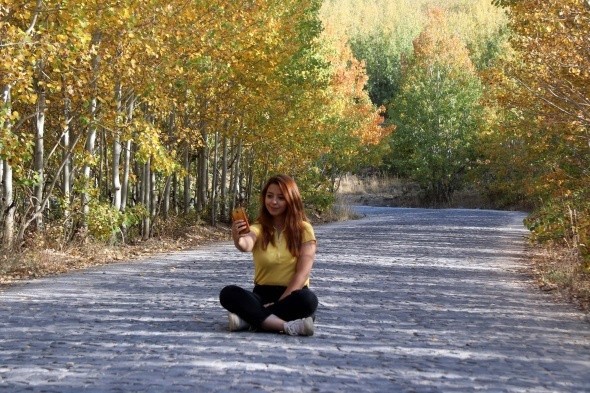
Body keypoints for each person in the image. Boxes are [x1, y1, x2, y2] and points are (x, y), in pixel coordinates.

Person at [219, 174, 318, 336]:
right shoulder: (258, 227)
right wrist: (237, 238)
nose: (273, 202)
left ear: (291, 200)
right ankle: (287, 326)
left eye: (280, 198)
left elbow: (302, 274)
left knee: (308, 300)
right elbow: (246, 244)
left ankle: (248, 319)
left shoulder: (304, 229)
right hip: (262, 295)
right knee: (228, 293)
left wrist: (280, 302)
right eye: (269, 196)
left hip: (293, 295)